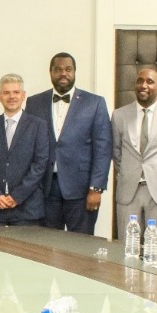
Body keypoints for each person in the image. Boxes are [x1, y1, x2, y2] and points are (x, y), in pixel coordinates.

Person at [25, 52, 112, 235]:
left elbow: (103, 149)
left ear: (74, 72)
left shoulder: (94, 103)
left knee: (81, 245)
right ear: (50, 72)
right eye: (58, 69)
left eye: (68, 69)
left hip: (82, 190)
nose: (63, 73)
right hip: (45, 189)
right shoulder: (34, 103)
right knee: (46, 244)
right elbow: (29, 145)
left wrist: (96, 188)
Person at [111, 68, 157, 250]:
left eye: (150, 82)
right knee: (127, 249)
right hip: (129, 190)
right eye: (140, 81)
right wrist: (128, 172)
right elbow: (116, 152)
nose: (143, 85)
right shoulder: (119, 115)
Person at [0, 73, 48, 226]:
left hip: (27, 209)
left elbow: (40, 165)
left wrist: (17, 196)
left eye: (16, 92)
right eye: (6, 93)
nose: (11, 97)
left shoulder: (38, 125)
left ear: (23, 95)